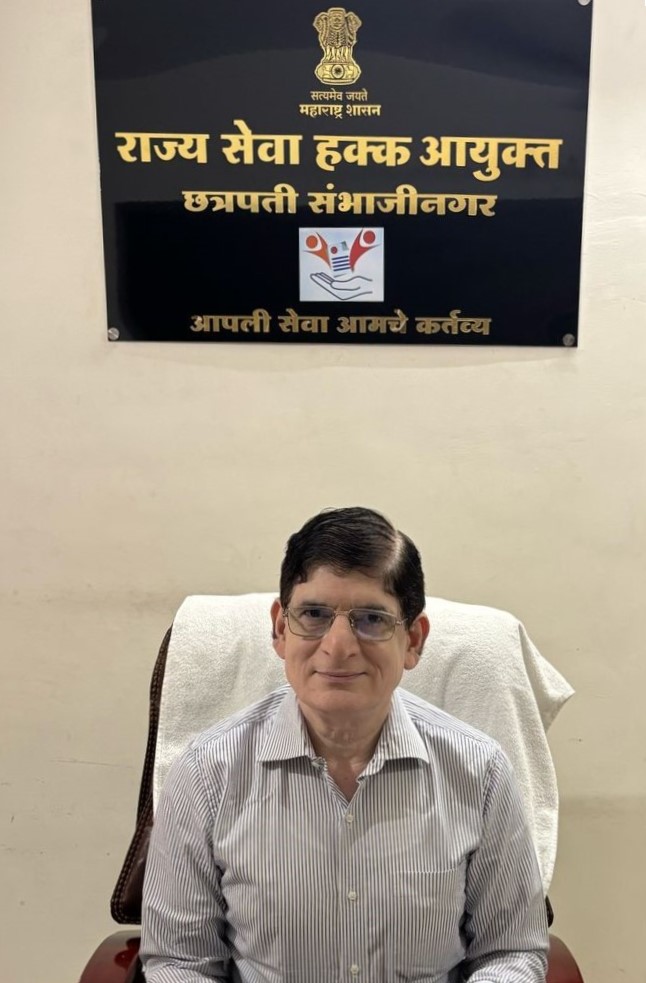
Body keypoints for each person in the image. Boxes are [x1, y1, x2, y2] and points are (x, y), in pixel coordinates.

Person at [141, 507, 548, 982]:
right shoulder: (206, 772)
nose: (337, 646)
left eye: (371, 619)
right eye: (314, 614)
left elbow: (511, 951)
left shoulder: (480, 772)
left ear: (413, 641)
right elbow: (179, 962)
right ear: (280, 629)